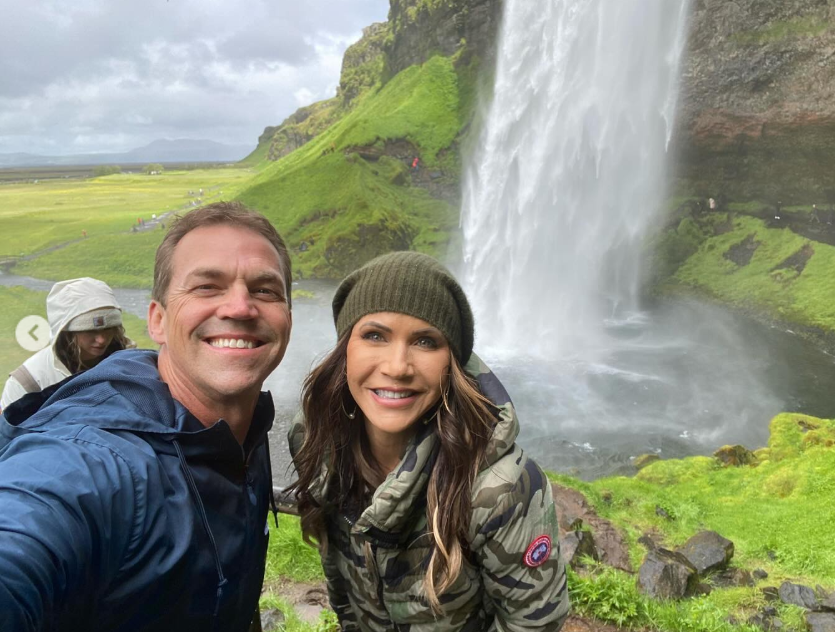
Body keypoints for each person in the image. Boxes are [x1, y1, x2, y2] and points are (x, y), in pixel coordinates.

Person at [0, 202, 293, 631]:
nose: (240, 308)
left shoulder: (245, 425)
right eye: (207, 287)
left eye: (265, 290)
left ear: (288, 316)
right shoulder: (96, 460)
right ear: (157, 320)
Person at [287, 251, 569, 631]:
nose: (397, 366)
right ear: (345, 349)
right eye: (374, 335)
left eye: (425, 342)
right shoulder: (320, 447)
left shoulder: (501, 490)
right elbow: (339, 578)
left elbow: (535, 624)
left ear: (452, 363)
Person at [1, 277, 134, 411]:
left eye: (108, 329)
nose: (101, 339)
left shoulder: (133, 363)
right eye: (90, 331)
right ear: (66, 333)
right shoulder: (28, 382)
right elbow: (8, 431)